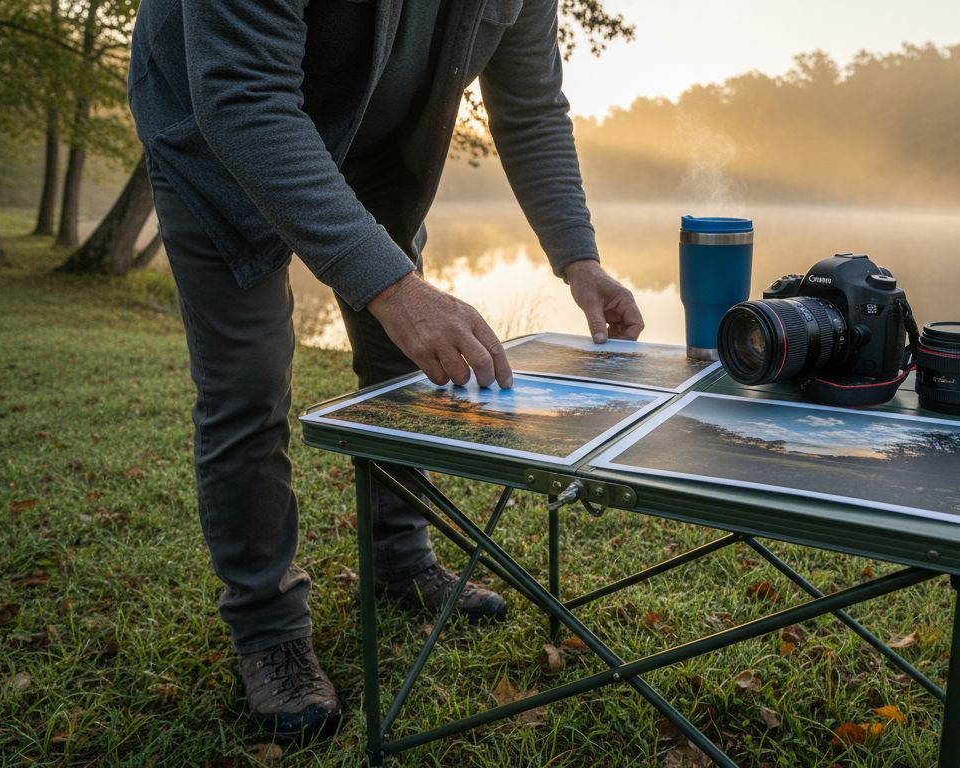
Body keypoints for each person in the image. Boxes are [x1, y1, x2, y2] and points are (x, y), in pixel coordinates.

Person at [128, 0, 644, 743]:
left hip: (375, 153)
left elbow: (531, 106)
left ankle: (402, 560)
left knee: (401, 372)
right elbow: (241, 94)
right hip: (214, 136)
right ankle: (268, 629)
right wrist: (391, 287)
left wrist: (579, 259)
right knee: (246, 387)